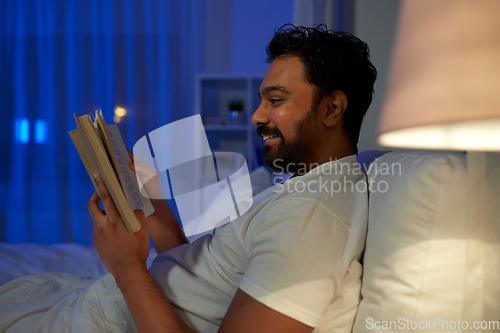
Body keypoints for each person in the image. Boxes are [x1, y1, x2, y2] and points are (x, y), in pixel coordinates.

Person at [0, 24, 375, 333]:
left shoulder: (312, 217)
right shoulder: (306, 188)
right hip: (93, 306)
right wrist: (156, 212)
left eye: (275, 101)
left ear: (332, 109)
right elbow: (206, 285)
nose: (256, 117)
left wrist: (126, 265)